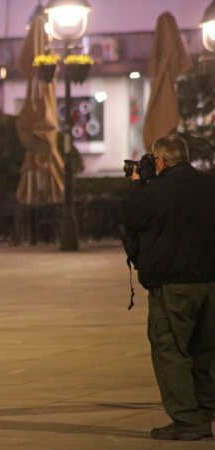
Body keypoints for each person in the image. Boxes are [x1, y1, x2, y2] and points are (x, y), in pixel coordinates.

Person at [121, 134, 215, 441]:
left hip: (174, 285)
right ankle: (204, 411)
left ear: (160, 161)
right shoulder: (208, 185)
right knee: (204, 350)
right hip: (210, 283)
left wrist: (136, 182)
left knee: (171, 349)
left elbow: (129, 216)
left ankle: (188, 420)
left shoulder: (156, 192)